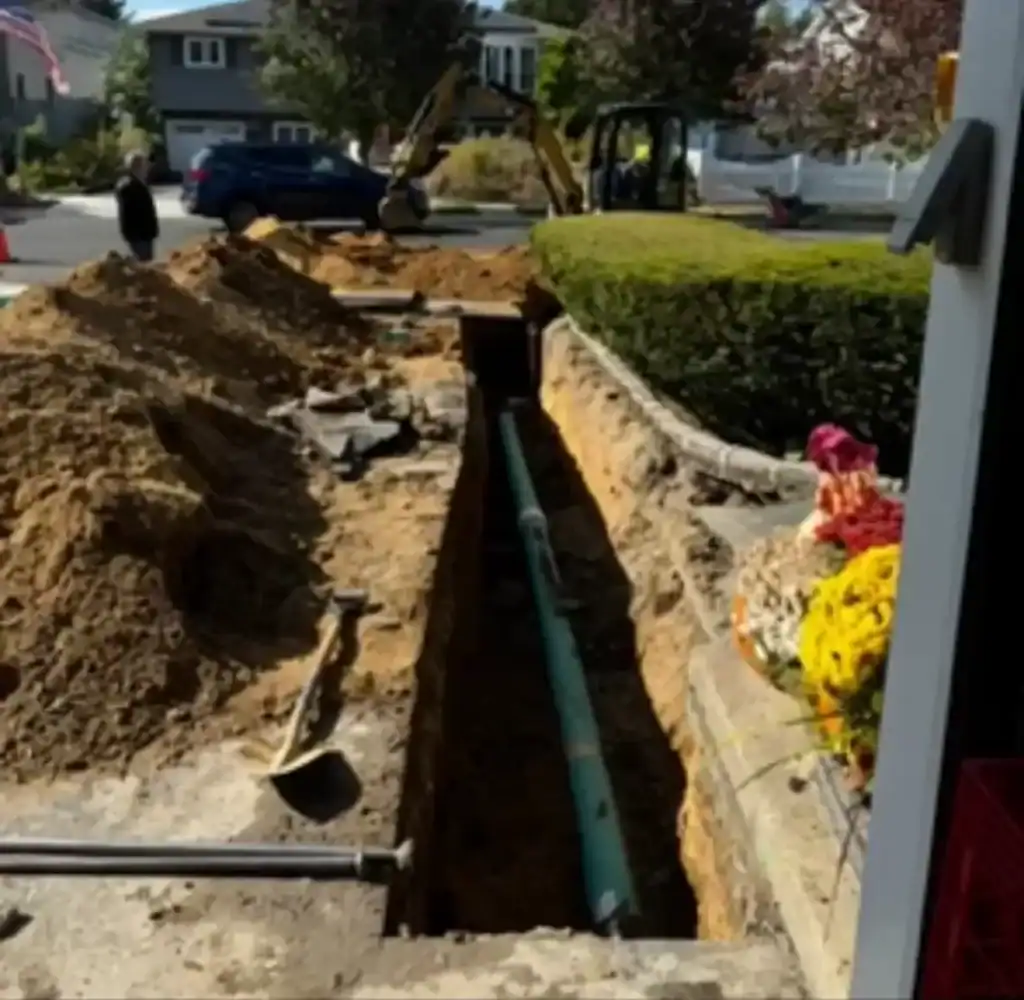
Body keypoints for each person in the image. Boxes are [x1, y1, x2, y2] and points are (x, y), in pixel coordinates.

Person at [115, 151, 158, 262]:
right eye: (145, 164)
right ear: (138, 166)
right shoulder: (129, 186)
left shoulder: (137, 183)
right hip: (139, 234)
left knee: (144, 261)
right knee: (143, 263)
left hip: (144, 233)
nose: (148, 167)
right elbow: (128, 214)